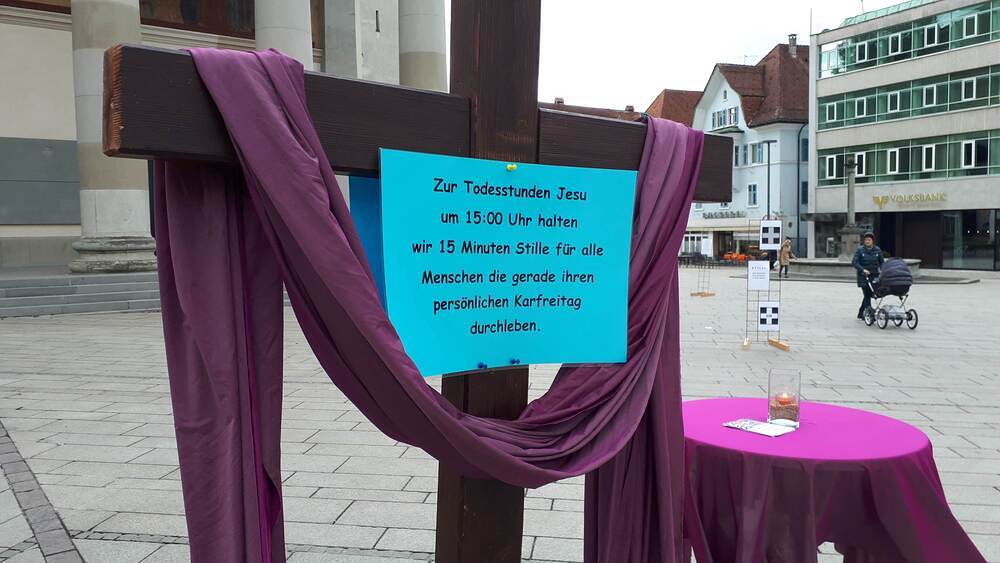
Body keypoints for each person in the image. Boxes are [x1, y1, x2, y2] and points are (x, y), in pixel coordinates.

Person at [851, 232, 884, 320]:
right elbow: (854, 262)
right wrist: (862, 270)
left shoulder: (877, 250)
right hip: (863, 276)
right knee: (866, 293)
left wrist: (883, 270)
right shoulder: (860, 250)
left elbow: (882, 262)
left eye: (869, 240)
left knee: (869, 294)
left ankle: (861, 313)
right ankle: (869, 313)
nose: (867, 241)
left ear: (872, 241)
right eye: (866, 240)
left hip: (874, 275)